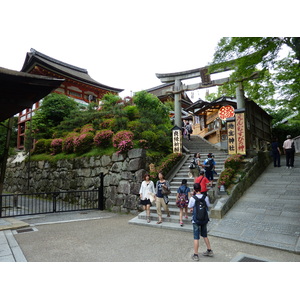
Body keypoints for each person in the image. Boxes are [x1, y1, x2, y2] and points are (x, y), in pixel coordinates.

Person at [188, 183, 214, 261]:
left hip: (196, 219)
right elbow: (208, 205)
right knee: (205, 235)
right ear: (200, 188)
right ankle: (209, 250)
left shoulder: (193, 198)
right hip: (204, 219)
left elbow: (189, 206)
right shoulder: (205, 197)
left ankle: (196, 255)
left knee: (196, 237)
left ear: (194, 190)